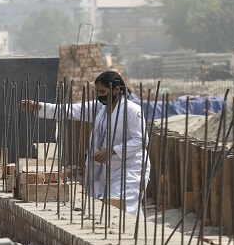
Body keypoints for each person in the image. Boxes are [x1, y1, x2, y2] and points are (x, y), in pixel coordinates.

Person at [22, 71, 149, 216]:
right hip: (108, 167)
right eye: (98, 92)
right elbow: (70, 110)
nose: (100, 95)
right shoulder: (101, 108)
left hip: (130, 168)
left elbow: (141, 140)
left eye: (103, 91)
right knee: (107, 205)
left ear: (116, 90)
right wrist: (39, 106)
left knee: (122, 205)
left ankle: (133, 235)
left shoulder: (132, 111)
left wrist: (112, 151)